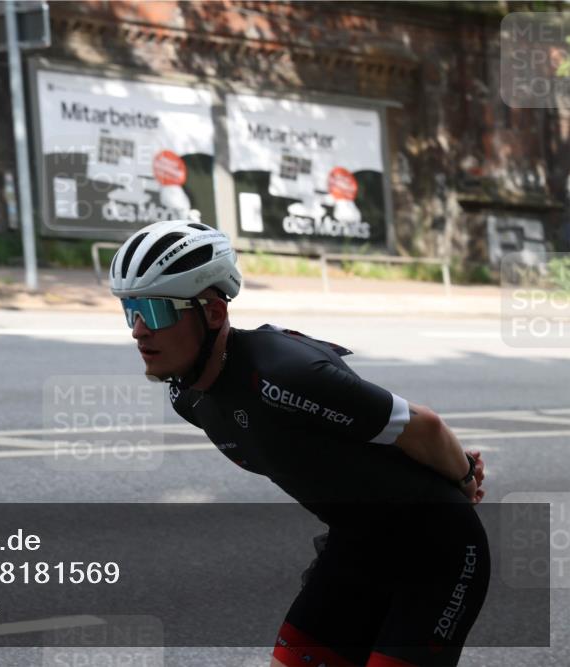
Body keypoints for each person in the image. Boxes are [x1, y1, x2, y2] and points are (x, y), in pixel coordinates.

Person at [109, 219, 489, 667]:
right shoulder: (187, 397)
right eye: (130, 309)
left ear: (213, 311)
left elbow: (422, 426)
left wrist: (464, 476)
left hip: (438, 552)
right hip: (358, 547)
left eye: (156, 311)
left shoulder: (284, 374)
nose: (138, 330)